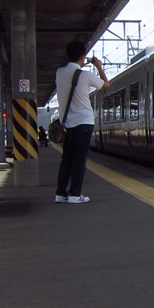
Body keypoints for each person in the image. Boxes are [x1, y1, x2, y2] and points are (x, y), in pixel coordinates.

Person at [54, 41, 109, 204]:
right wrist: (99, 67)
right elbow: (106, 85)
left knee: (67, 158)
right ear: (82, 57)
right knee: (79, 159)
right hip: (84, 122)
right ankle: (75, 194)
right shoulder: (86, 75)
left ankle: (60, 194)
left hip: (67, 123)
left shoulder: (59, 72)